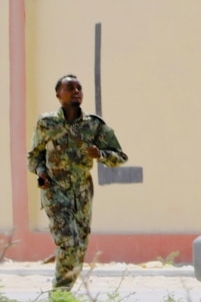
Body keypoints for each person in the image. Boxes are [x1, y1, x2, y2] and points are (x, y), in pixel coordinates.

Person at [28, 75, 128, 290]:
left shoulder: (93, 125)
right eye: (70, 88)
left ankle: (65, 296)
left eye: (79, 88)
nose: (76, 92)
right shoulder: (47, 123)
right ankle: (59, 299)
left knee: (80, 246)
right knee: (68, 243)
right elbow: (34, 156)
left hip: (82, 193)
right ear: (58, 94)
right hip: (55, 192)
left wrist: (99, 153)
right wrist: (41, 172)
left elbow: (120, 157)